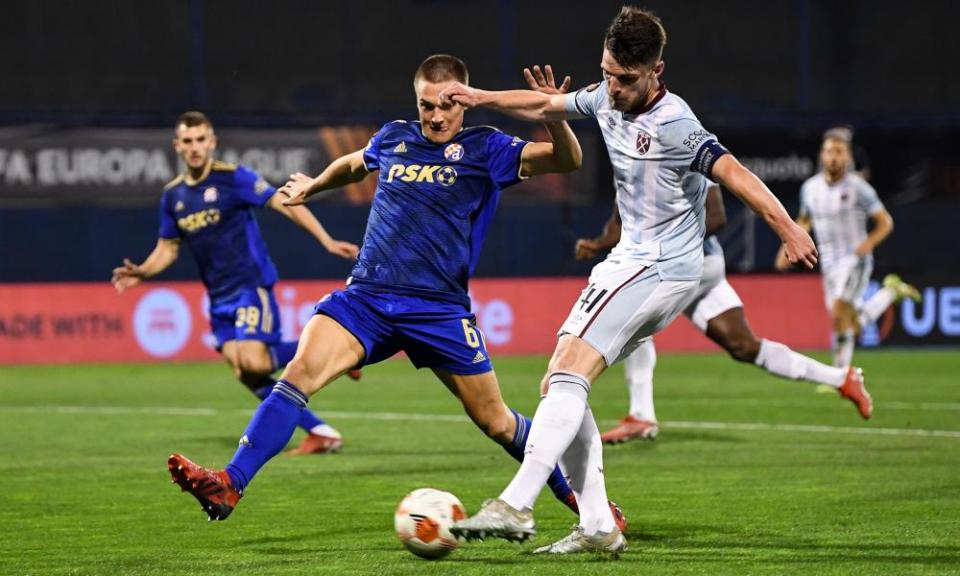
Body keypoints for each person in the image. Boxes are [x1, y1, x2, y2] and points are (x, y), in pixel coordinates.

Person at [164, 56, 627, 532]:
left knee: (497, 422)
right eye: (427, 105)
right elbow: (352, 163)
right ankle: (230, 482)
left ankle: (587, 506)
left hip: (438, 310)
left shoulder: (485, 147)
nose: (437, 116)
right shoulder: (394, 137)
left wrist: (554, 120)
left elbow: (566, 161)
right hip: (367, 298)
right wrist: (316, 184)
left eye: (448, 105)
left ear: (464, 100)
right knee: (298, 373)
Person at [440, 7, 822, 555]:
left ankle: (516, 504)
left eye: (625, 79)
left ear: (656, 71)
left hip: (662, 265)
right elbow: (546, 105)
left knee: (569, 371)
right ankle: (597, 524)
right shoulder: (605, 94)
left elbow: (735, 173)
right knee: (562, 382)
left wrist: (787, 228)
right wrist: (478, 98)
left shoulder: (677, 124)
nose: (612, 88)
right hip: (631, 262)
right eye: (608, 73)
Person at [112, 111, 360, 456]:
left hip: (249, 284)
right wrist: (142, 271)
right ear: (177, 146)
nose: (195, 147)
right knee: (246, 373)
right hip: (218, 298)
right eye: (188, 141)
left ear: (212, 142)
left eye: (201, 140)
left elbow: (283, 202)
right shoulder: (174, 196)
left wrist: (326, 240)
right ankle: (320, 431)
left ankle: (338, 352)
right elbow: (167, 249)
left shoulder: (233, 179)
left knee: (255, 363)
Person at [577, 184, 873, 446]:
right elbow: (619, 228)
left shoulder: (674, 149)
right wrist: (598, 244)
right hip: (693, 268)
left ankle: (642, 415)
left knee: (638, 322)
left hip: (692, 265)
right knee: (744, 346)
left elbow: (717, 216)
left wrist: (670, 243)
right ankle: (842, 378)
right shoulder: (625, 166)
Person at [775, 130, 920, 369]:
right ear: (822, 156)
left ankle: (840, 376)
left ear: (848, 158)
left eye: (839, 152)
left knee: (839, 313)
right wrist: (787, 248)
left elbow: (886, 222)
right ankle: (890, 293)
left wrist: (869, 243)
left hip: (855, 259)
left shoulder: (858, 188)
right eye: (829, 151)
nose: (834, 157)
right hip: (829, 263)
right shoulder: (810, 188)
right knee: (849, 324)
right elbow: (804, 222)